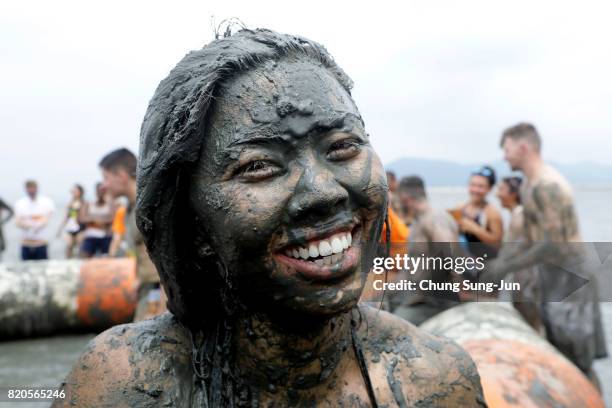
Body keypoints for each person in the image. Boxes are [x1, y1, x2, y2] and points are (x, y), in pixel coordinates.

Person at [55, 29, 485, 407]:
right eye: (259, 166)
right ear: (190, 217)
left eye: (342, 147)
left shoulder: (432, 380)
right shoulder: (121, 384)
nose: (323, 192)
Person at [486, 122, 607, 384]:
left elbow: (553, 244)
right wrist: (501, 263)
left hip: (572, 281)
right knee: (558, 356)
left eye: (506, 149)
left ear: (523, 147)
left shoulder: (548, 185)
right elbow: (530, 239)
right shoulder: (531, 186)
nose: (504, 156)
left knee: (577, 362)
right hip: (552, 279)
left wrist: (502, 268)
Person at [98, 148, 162, 320]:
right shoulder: (129, 209)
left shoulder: (151, 205)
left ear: (121, 175)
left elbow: (172, 258)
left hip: (161, 294)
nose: (103, 185)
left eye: (106, 178)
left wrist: (161, 304)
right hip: (148, 288)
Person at [390, 175, 462, 325]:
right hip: (415, 295)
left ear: (404, 197)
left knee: (393, 326)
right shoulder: (419, 220)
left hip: (433, 301)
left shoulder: (435, 219)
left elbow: (453, 257)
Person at [450, 166, 503, 258]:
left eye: (481, 186)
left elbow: (498, 244)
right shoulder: (461, 208)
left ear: (489, 189)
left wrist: (475, 229)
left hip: (484, 263)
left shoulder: (492, 213)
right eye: (473, 185)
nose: (475, 190)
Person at [14, 180, 55, 261]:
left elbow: (48, 218)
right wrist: (27, 225)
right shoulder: (20, 203)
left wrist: (37, 224)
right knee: (25, 268)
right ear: (26, 189)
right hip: (26, 243)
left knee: (42, 268)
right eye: (29, 188)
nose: (31, 190)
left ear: (37, 188)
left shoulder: (46, 202)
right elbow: (17, 222)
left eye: (33, 188)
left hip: (41, 243)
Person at [79, 183, 114, 258]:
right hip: (90, 235)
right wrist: (99, 220)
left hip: (105, 236)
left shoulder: (110, 203)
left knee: (106, 257)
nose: (101, 192)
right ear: (96, 191)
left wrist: (91, 218)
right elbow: (82, 218)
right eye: (100, 190)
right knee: (85, 256)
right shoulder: (88, 203)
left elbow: (112, 219)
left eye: (103, 191)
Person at [57, 184, 85, 259]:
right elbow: (67, 217)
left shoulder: (83, 203)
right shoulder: (70, 203)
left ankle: (80, 262)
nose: (74, 192)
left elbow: (84, 216)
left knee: (81, 246)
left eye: (76, 191)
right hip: (71, 227)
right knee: (69, 245)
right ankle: (68, 261)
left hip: (80, 227)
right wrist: (60, 229)